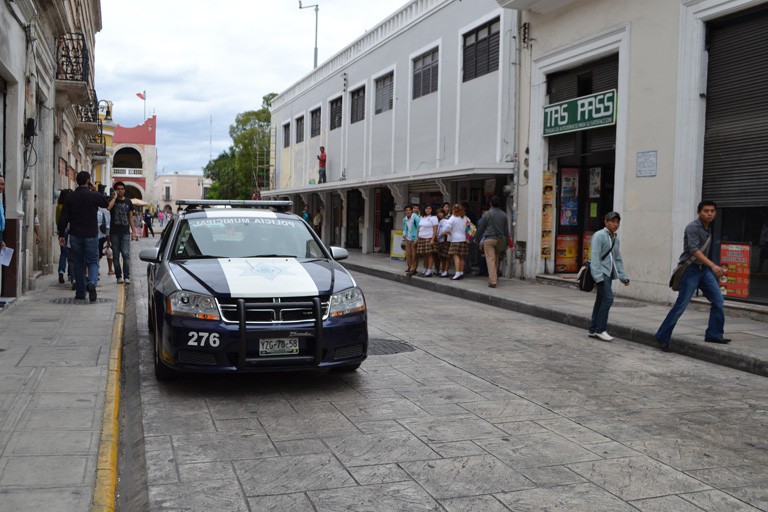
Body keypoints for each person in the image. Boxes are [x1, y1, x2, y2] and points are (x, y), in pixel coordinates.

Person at [655, 200, 729, 351]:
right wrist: (713, 265)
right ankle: (662, 336)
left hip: (704, 271)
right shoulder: (692, 227)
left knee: (718, 301)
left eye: (712, 211)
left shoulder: (710, 227)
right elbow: (694, 251)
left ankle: (714, 334)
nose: (709, 214)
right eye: (706, 211)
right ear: (699, 212)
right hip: (691, 270)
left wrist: (710, 267)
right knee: (681, 305)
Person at [57, 171, 108, 302]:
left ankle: (80, 292)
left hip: (75, 235)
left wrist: (61, 234)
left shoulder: (70, 197)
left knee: (78, 263)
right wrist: (95, 190)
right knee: (92, 262)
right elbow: (105, 203)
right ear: (88, 181)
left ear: (77, 181)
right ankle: (91, 282)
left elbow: (63, 218)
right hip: (91, 234)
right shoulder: (93, 196)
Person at [587, 212, 630, 341]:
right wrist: (598, 278)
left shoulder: (616, 239)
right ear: (605, 222)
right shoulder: (599, 236)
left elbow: (617, 259)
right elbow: (594, 257)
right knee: (608, 299)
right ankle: (600, 330)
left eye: (617, 222)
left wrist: (623, 277)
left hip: (609, 274)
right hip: (601, 273)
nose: (615, 224)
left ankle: (593, 329)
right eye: (612, 221)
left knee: (600, 301)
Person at [476, 196, 510, 288]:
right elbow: (506, 230)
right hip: (500, 240)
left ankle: (493, 281)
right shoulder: (504, 214)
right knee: (496, 259)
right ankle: (494, 277)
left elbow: (481, 228)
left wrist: (476, 238)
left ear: (490, 203)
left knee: (490, 259)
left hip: (489, 239)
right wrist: (507, 243)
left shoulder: (487, 214)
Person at [108, 181, 135, 285]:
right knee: (116, 255)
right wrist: (114, 198)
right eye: (118, 189)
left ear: (124, 190)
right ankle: (119, 276)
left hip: (125, 232)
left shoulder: (128, 202)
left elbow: (131, 218)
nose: (120, 191)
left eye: (122, 189)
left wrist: (133, 231)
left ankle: (126, 276)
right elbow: (108, 208)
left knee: (126, 254)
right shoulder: (112, 200)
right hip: (114, 232)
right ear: (115, 190)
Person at [445, 203, 469, 280]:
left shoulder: (452, 218)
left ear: (454, 210)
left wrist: (448, 232)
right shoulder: (465, 218)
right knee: (462, 257)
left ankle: (457, 273)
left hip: (455, 239)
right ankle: (461, 272)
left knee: (456, 257)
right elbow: (469, 226)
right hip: (463, 239)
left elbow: (447, 229)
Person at [55, 189, 73, 284]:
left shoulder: (59, 206)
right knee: (71, 252)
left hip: (62, 231)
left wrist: (60, 232)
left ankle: (61, 271)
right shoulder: (72, 206)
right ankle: (70, 274)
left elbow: (57, 220)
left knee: (63, 253)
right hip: (71, 231)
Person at [415, 204, 438, 277]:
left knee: (429, 255)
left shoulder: (433, 217)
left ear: (432, 210)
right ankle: (425, 269)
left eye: (429, 209)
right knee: (424, 255)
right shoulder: (422, 217)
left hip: (429, 238)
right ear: (424, 210)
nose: (428, 210)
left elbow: (435, 230)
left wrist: (433, 239)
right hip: (421, 238)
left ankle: (429, 271)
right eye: (426, 209)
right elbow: (419, 228)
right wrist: (418, 237)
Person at [402, 204, 419, 276]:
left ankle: (413, 269)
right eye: (407, 210)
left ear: (411, 211)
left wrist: (417, 238)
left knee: (414, 255)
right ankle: (409, 266)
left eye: (409, 210)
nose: (408, 211)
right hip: (408, 239)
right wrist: (404, 234)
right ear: (405, 211)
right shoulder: (404, 219)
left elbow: (419, 227)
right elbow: (405, 228)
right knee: (408, 254)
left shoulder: (415, 217)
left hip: (414, 238)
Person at [97, 206, 110, 273]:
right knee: (99, 254)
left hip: (90, 236)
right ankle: (95, 269)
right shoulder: (104, 212)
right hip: (101, 237)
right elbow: (107, 227)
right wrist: (108, 241)